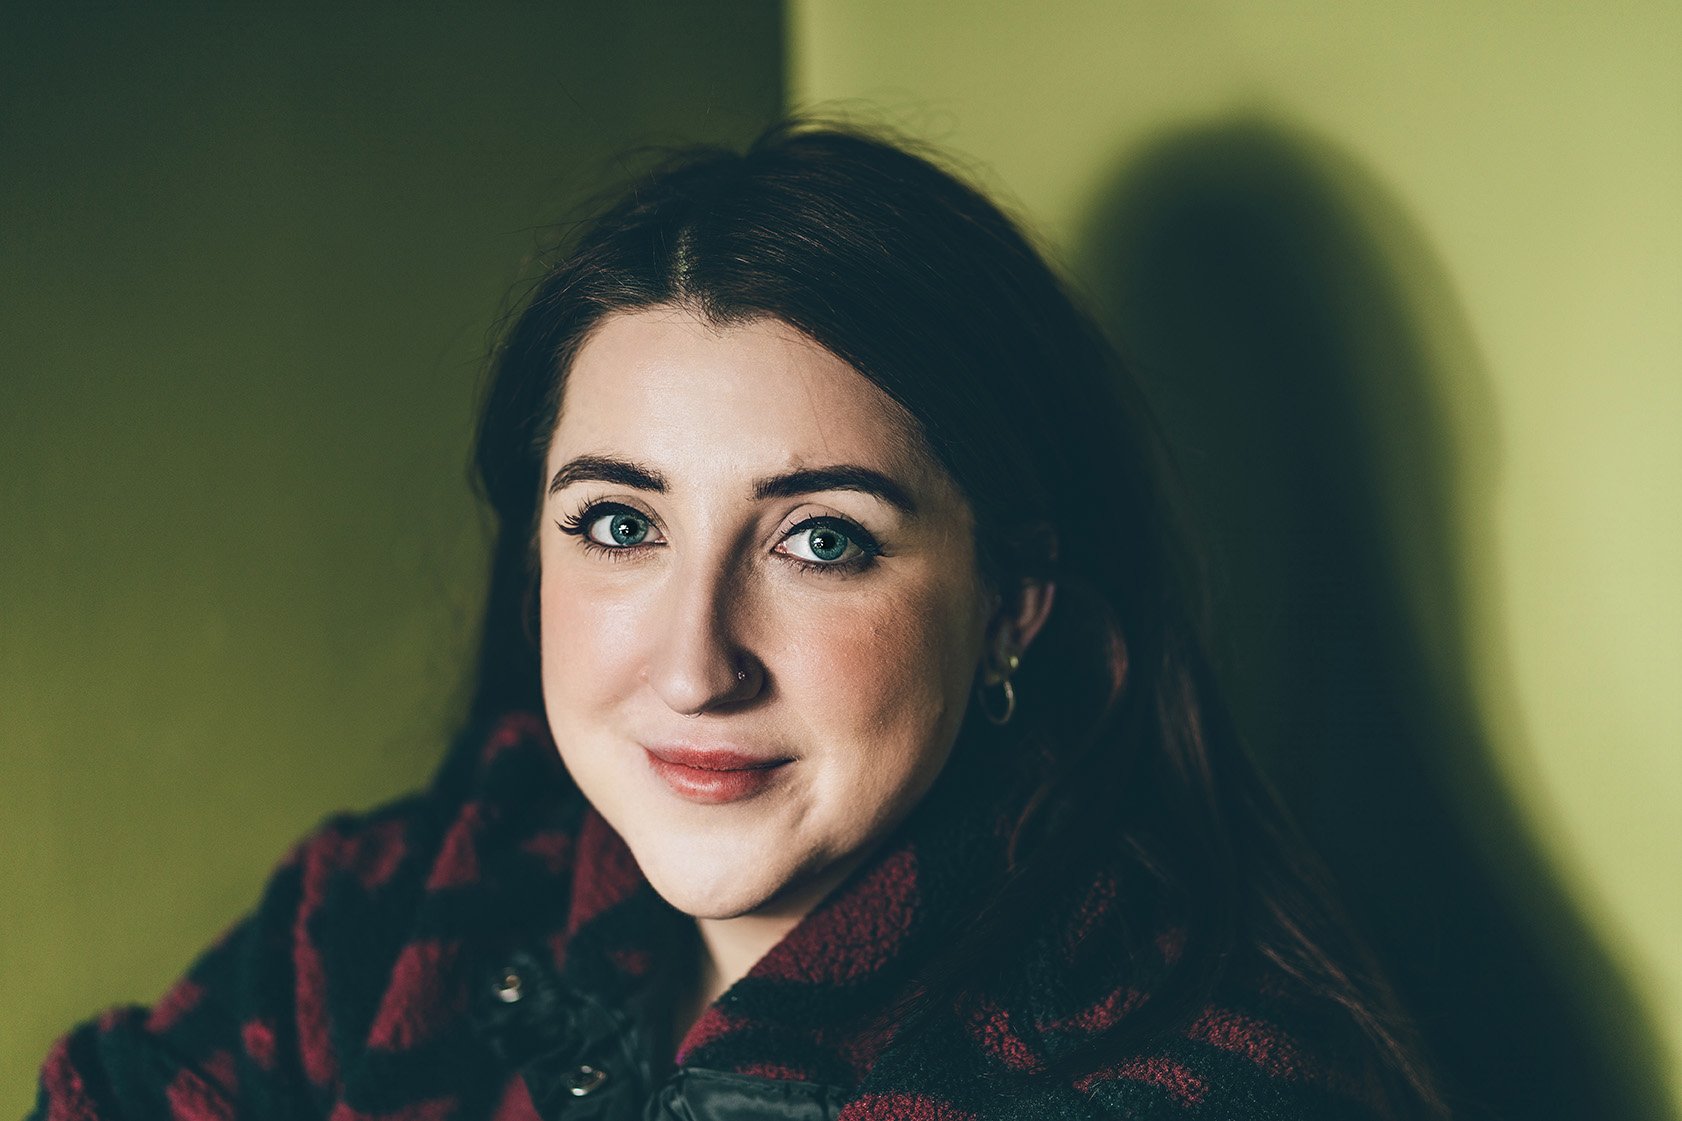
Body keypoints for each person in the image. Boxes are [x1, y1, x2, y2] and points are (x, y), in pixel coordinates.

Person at [31, 121, 1444, 1121]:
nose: (694, 663)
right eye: (619, 523)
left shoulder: (1204, 1081)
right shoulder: (387, 912)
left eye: (820, 539)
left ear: (1013, 599)